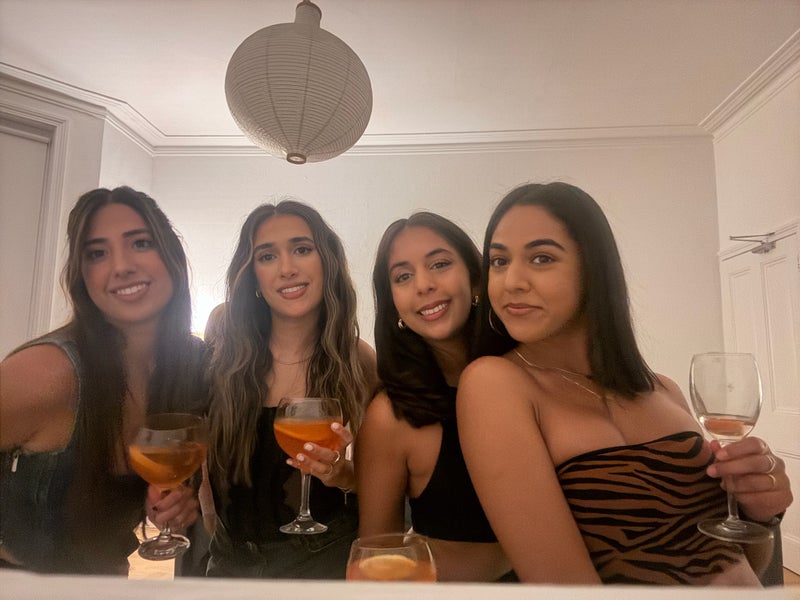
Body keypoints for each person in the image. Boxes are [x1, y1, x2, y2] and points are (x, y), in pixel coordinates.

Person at [457, 182, 793, 585]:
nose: (511, 281)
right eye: (498, 261)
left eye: (541, 258)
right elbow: (565, 589)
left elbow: (742, 560)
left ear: (594, 270)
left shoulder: (663, 389)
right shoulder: (495, 384)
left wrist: (761, 511)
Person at [0, 186, 209, 575]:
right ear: (82, 276)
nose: (121, 266)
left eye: (141, 243)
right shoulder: (49, 373)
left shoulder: (187, 367)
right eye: (96, 253)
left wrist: (169, 502)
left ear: (171, 255)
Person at [206, 200, 378, 578]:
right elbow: (204, 443)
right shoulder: (223, 339)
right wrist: (208, 518)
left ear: (327, 262)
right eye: (267, 256)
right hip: (228, 560)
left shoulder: (358, 360)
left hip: (321, 559)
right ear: (253, 275)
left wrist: (341, 474)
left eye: (302, 249)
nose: (287, 268)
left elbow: (377, 481)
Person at [356, 212, 512, 581]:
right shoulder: (390, 417)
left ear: (476, 279)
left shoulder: (531, 374)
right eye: (403, 276)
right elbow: (376, 562)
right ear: (393, 303)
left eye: (440, 264)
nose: (424, 285)